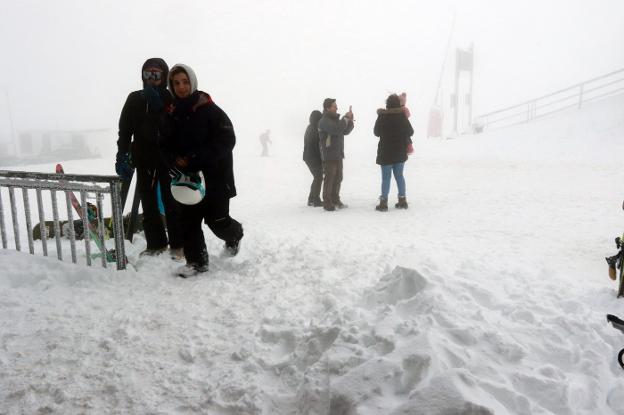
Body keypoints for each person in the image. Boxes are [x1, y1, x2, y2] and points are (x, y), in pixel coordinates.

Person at [159, 63, 243, 277]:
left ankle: (234, 236)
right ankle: (197, 263)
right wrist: (173, 161)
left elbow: (227, 139)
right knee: (189, 221)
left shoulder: (210, 110)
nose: (181, 87)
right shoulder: (171, 113)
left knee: (218, 221)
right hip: (187, 179)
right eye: (176, 83)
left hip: (216, 177)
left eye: (185, 82)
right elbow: (164, 144)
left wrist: (195, 157)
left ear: (193, 82)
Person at [116, 58, 184, 258]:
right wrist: (122, 154)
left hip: (167, 159)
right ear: (142, 75)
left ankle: (178, 245)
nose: (152, 78)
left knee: (172, 204)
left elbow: (174, 130)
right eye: (148, 74)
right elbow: (125, 130)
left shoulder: (170, 98)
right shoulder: (134, 98)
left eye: (156, 74)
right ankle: (156, 244)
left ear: (163, 76)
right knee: (149, 203)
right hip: (143, 159)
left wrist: (159, 108)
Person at [373, 93, 414, 211]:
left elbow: (376, 132)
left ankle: (383, 203)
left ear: (387, 105)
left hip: (386, 153)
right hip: (400, 152)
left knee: (386, 178)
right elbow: (410, 132)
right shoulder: (402, 116)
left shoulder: (382, 116)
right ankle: (402, 200)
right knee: (399, 176)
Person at [317, 98, 354, 211]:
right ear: (327, 108)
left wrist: (350, 121)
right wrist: (346, 118)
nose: (337, 108)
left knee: (338, 178)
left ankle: (335, 199)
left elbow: (345, 131)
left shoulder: (335, 119)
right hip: (329, 155)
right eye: (334, 106)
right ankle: (327, 203)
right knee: (330, 178)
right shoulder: (324, 121)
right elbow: (337, 129)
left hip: (338, 154)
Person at [302, 110, 323, 207]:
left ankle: (311, 199)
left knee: (317, 177)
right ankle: (315, 199)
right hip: (312, 157)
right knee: (318, 177)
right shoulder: (314, 129)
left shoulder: (310, 127)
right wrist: (321, 158)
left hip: (308, 157)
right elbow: (316, 146)